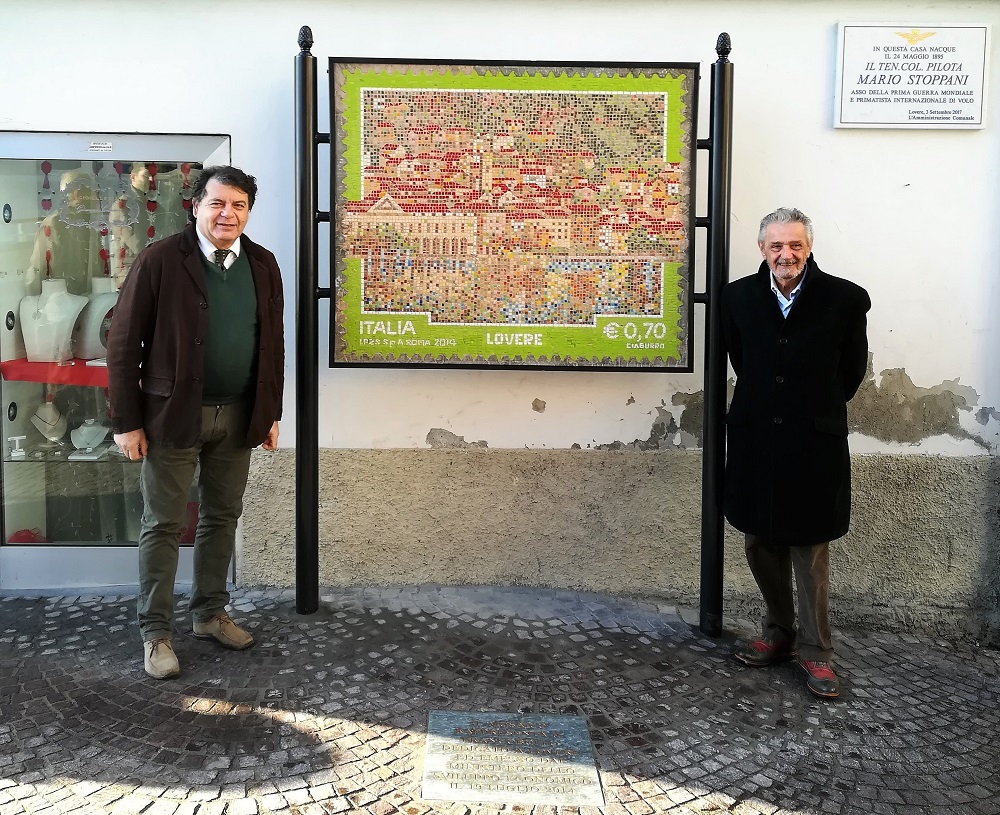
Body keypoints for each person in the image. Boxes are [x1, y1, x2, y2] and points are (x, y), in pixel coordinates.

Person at [107, 166, 284, 680]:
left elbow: (272, 344)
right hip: (172, 416)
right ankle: (156, 632)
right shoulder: (161, 260)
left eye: (238, 206)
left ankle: (209, 613)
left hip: (239, 415)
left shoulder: (262, 264)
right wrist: (126, 421)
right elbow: (122, 343)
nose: (227, 214)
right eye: (217, 203)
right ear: (196, 206)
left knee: (222, 516)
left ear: (248, 212)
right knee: (163, 524)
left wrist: (269, 411)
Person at [721, 207, 870, 699]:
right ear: (762, 249)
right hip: (756, 438)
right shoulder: (738, 297)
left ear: (808, 247)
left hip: (813, 442)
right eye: (776, 246)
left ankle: (816, 653)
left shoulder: (845, 300)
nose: (786, 255)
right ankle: (778, 634)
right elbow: (742, 359)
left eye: (795, 245)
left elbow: (848, 374)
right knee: (759, 541)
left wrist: (809, 409)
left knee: (809, 550)